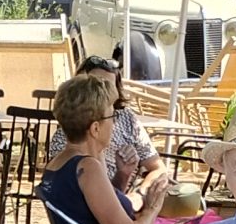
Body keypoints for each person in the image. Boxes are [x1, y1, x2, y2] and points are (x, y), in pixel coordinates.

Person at [37, 68, 169, 224]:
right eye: (112, 116)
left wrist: (122, 176)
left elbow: (95, 211)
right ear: (95, 128)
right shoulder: (87, 168)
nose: (114, 123)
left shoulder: (62, 162)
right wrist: (152, 207)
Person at [43, 54, 165, 194]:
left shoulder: (126, 119)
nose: (104, 95)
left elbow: (158, 168)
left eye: (108, 88)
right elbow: (102, 202)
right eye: (97, 86)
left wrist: (136, 190)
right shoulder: (81, 158)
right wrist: (150, 209)